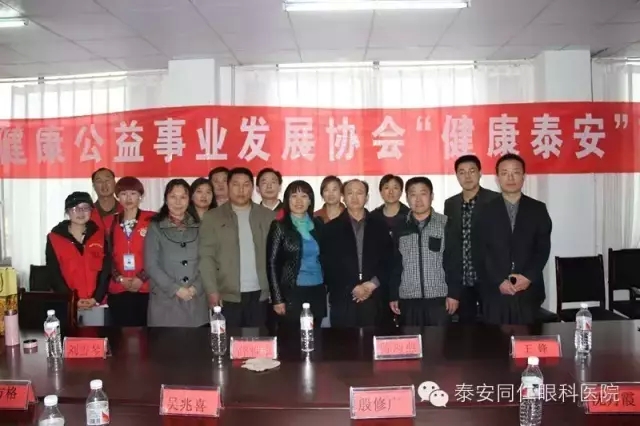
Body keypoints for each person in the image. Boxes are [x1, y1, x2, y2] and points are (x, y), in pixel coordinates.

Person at [474, 154, 552, 325]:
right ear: (497, 178)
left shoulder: (538, 209)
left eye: (515, 172)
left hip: (528, 292)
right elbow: (479, 251)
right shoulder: (484, 210)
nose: (510, 178)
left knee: (528, 339)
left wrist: (528, 277)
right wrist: (498, 281)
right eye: (505, 173)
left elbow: (542, 248)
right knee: (495, 340)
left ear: (523, 176)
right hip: (494, 292)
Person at [199, 167, 276, 327]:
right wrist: (211, 290)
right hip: (226, 295)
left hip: (260, 294)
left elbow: (276, 257)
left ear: (253, 188)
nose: (241, 190)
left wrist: (275, 291)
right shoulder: (212, 217)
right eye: (236, 184)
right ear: (228, 186)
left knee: (258, 340)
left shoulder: (268, 216)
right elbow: (206, 257)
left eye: (246, 185)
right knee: (228, 340)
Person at [320, 179, 395, 327]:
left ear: (367, 197)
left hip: (375, 297)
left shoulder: (380, 226)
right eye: (350, 193)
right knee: (344, 341)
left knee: (374, 339)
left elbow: (389, 260)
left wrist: (372, 285)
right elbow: (328, 265)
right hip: (343, 299)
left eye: (359, 193)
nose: (354, 197)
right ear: (343, 197)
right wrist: (352, 287)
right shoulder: (330, 229)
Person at [390, 177, 460, 326]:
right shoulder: (399, 226)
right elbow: (394, 264)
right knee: (411, 340)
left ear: (432, 196)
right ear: (407, 198)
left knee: (439, 340)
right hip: (408, 299)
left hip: (439, 299)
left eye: (423, 193)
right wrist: (393, 295)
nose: (418, 199)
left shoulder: (445, 223)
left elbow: (454, 262)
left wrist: (454, 294)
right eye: (413, 194)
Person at [443, 155, 500, 324]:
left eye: (472, 171)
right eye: (462, 172)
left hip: (489, 277)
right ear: (457, 176)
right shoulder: (450, 204)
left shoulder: (496, 200)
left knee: (494, 327)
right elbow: (451, 243)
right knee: (466, 329)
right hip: (462, 278)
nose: (467, 176)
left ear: (480, 173)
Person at [144, 179, 208, 327]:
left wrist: (196, 287)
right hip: (166, 300)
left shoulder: (200, 226)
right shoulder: (155, 227)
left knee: (197, 341)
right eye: (173, 197)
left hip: (195, 300)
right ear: (166, 199)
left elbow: (207, 261)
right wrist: (175, 289)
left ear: (189, 200)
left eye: (183, 197)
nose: (178, 202)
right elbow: (151, 265)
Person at [267, 180, 326, 329]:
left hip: (317, 289)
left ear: (310, 200)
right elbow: (272, 263)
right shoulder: (279, 226)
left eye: (304, 196)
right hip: (292, 292)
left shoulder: (318, 224)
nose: (299, 201)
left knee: (316, 336)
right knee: (292, 338)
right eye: (294, 196)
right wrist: (277, 298)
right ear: (287, 200)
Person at [46, 192, 110, 325]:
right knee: (69, 336)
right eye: (75, 208)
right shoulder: (54, 238)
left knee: (95, 337)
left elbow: (106, 270)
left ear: (91, 211)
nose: (81, 212)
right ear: (67, 212)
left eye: (85, 208)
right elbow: (53, 273)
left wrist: (96, 298)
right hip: (67, 303)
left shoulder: (99, 236)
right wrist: (72, 299)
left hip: (96, 304)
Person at [107, 177, 154, 327]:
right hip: (119, 288)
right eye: (123, 194)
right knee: (121, 335)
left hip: (146, 287)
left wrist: (141, 277)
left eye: (133, 193)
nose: (128, 198)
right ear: (117, 197)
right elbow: (106, 256)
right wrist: (120, 278)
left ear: (140, 196)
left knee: (146, 335)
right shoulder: (109, 222)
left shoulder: (152, 219)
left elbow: (159, 253)